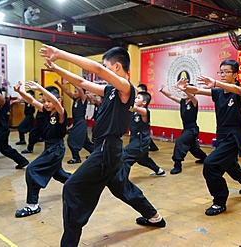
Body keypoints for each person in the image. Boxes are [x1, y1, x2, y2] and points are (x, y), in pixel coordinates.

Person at [40, 45, 165, 247]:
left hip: (107, 150)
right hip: (109, 151)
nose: (102, 69)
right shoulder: (110, 90)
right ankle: (155, 216)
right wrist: (56, 69)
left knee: (72, 188)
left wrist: (61, 54)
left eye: (105, 66)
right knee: (122, 188)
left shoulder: (127, 89)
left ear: (116, 67)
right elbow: (81, 82)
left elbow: (96, 71)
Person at [177, 60, 241, 216]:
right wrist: (184, 87)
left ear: (235, 75)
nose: (222, 75)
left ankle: (219, 201)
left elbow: (239, 91)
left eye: (226, 72)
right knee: (232, 167)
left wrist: (216, 82)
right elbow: (197, 90)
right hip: (222, 135)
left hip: (233, 136)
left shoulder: (240, 91)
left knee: (210, 165)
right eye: (220, 72)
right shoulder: (217, 92)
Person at [14, 81, 71, 217]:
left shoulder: (60, 114)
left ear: (58, 100)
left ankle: (32, 205)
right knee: (59, 174)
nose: (46, 104)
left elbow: (57, 105)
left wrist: (39, 88)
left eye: (49, 101)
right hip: (49, 148)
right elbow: (32, 101)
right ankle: (81, 183)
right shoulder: (47, 112)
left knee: (32, 170)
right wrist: (20, 92)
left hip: (56, 149)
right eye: (44, 101)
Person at [159, 84, 207, 174]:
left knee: (180, 141)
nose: (184, 93)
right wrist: (162, 91)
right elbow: (171, 96)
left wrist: (185, 89)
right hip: (186, 129)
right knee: (193, 148)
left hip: (192, 129)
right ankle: (204, 158)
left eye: (188, 91)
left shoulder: (194, 101)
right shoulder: (182, 102)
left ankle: (177, 165)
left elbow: (192, 96)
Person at [125, 91, 165, 176]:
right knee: (143, 160)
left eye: (138, 98)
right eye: (136, 97)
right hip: (135, 139)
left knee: (125, 157)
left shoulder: (144, 111)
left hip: (141, 141)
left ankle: (122, 181)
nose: (135, 99)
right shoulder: (134, 112)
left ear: (144, 102)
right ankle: (159, 171)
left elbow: (133, 107)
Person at [54, 79, 94, 164]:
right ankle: (94, 154)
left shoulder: (83, 99)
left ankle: (76, 158)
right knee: (85, 142)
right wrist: (58, 84)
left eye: (76, 91)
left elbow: (80, 89)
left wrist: (71, 82)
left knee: (71, 140)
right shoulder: (75, 99)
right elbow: (67, 90)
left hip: (81, 123)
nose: (74, 92)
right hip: (76, 122)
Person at [136, 83, 159, 152]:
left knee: (144, 134)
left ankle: (152, 146)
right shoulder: (137, 105)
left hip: (143, 124)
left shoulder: (143, 109)